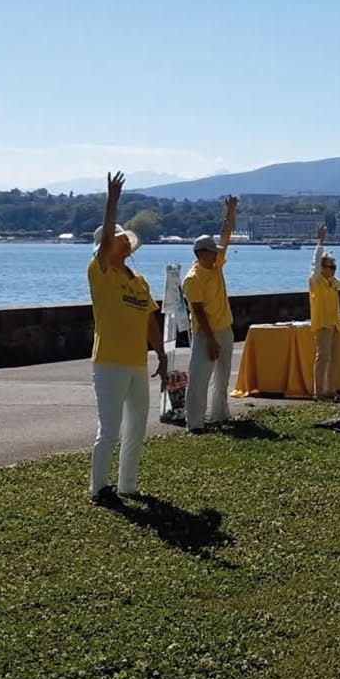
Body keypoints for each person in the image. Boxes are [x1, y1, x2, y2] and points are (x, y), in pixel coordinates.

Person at [88, 172, 168, 504]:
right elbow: (105, 241)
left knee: (137, 427)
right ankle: (99, 487)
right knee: (109, 429)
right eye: (117, 238)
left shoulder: (138, 279)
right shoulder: (100, 272)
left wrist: (160, 355)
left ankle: (128, 484)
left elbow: (150, 317)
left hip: (136, 361)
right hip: (109, 361)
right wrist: (112, 202)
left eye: (124, 238)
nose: (121, 242)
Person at [182, 196, 237, 432]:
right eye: (213, 251)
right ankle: (194, 421)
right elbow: (198, 312)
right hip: (206, 333)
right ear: (201, 254)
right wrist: (211, 340)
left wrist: (230, 212)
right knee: (199, 378)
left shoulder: (215, 266)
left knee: (222, 376)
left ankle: (219, 414)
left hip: (225, 327)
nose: (217, 254)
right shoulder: (192, 279)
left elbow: (226, 237)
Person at [309, 223, 340, 401]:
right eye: (330, 267)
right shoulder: (316, 280)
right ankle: (319, 391)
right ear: (323, 268)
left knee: (334, 358)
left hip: (335, 323)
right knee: (323, 358)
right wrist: (320, 242)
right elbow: (315, 262)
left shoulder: (332, 281)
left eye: (334, 267)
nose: (333, 270)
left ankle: (330, 389)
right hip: (322, 323)